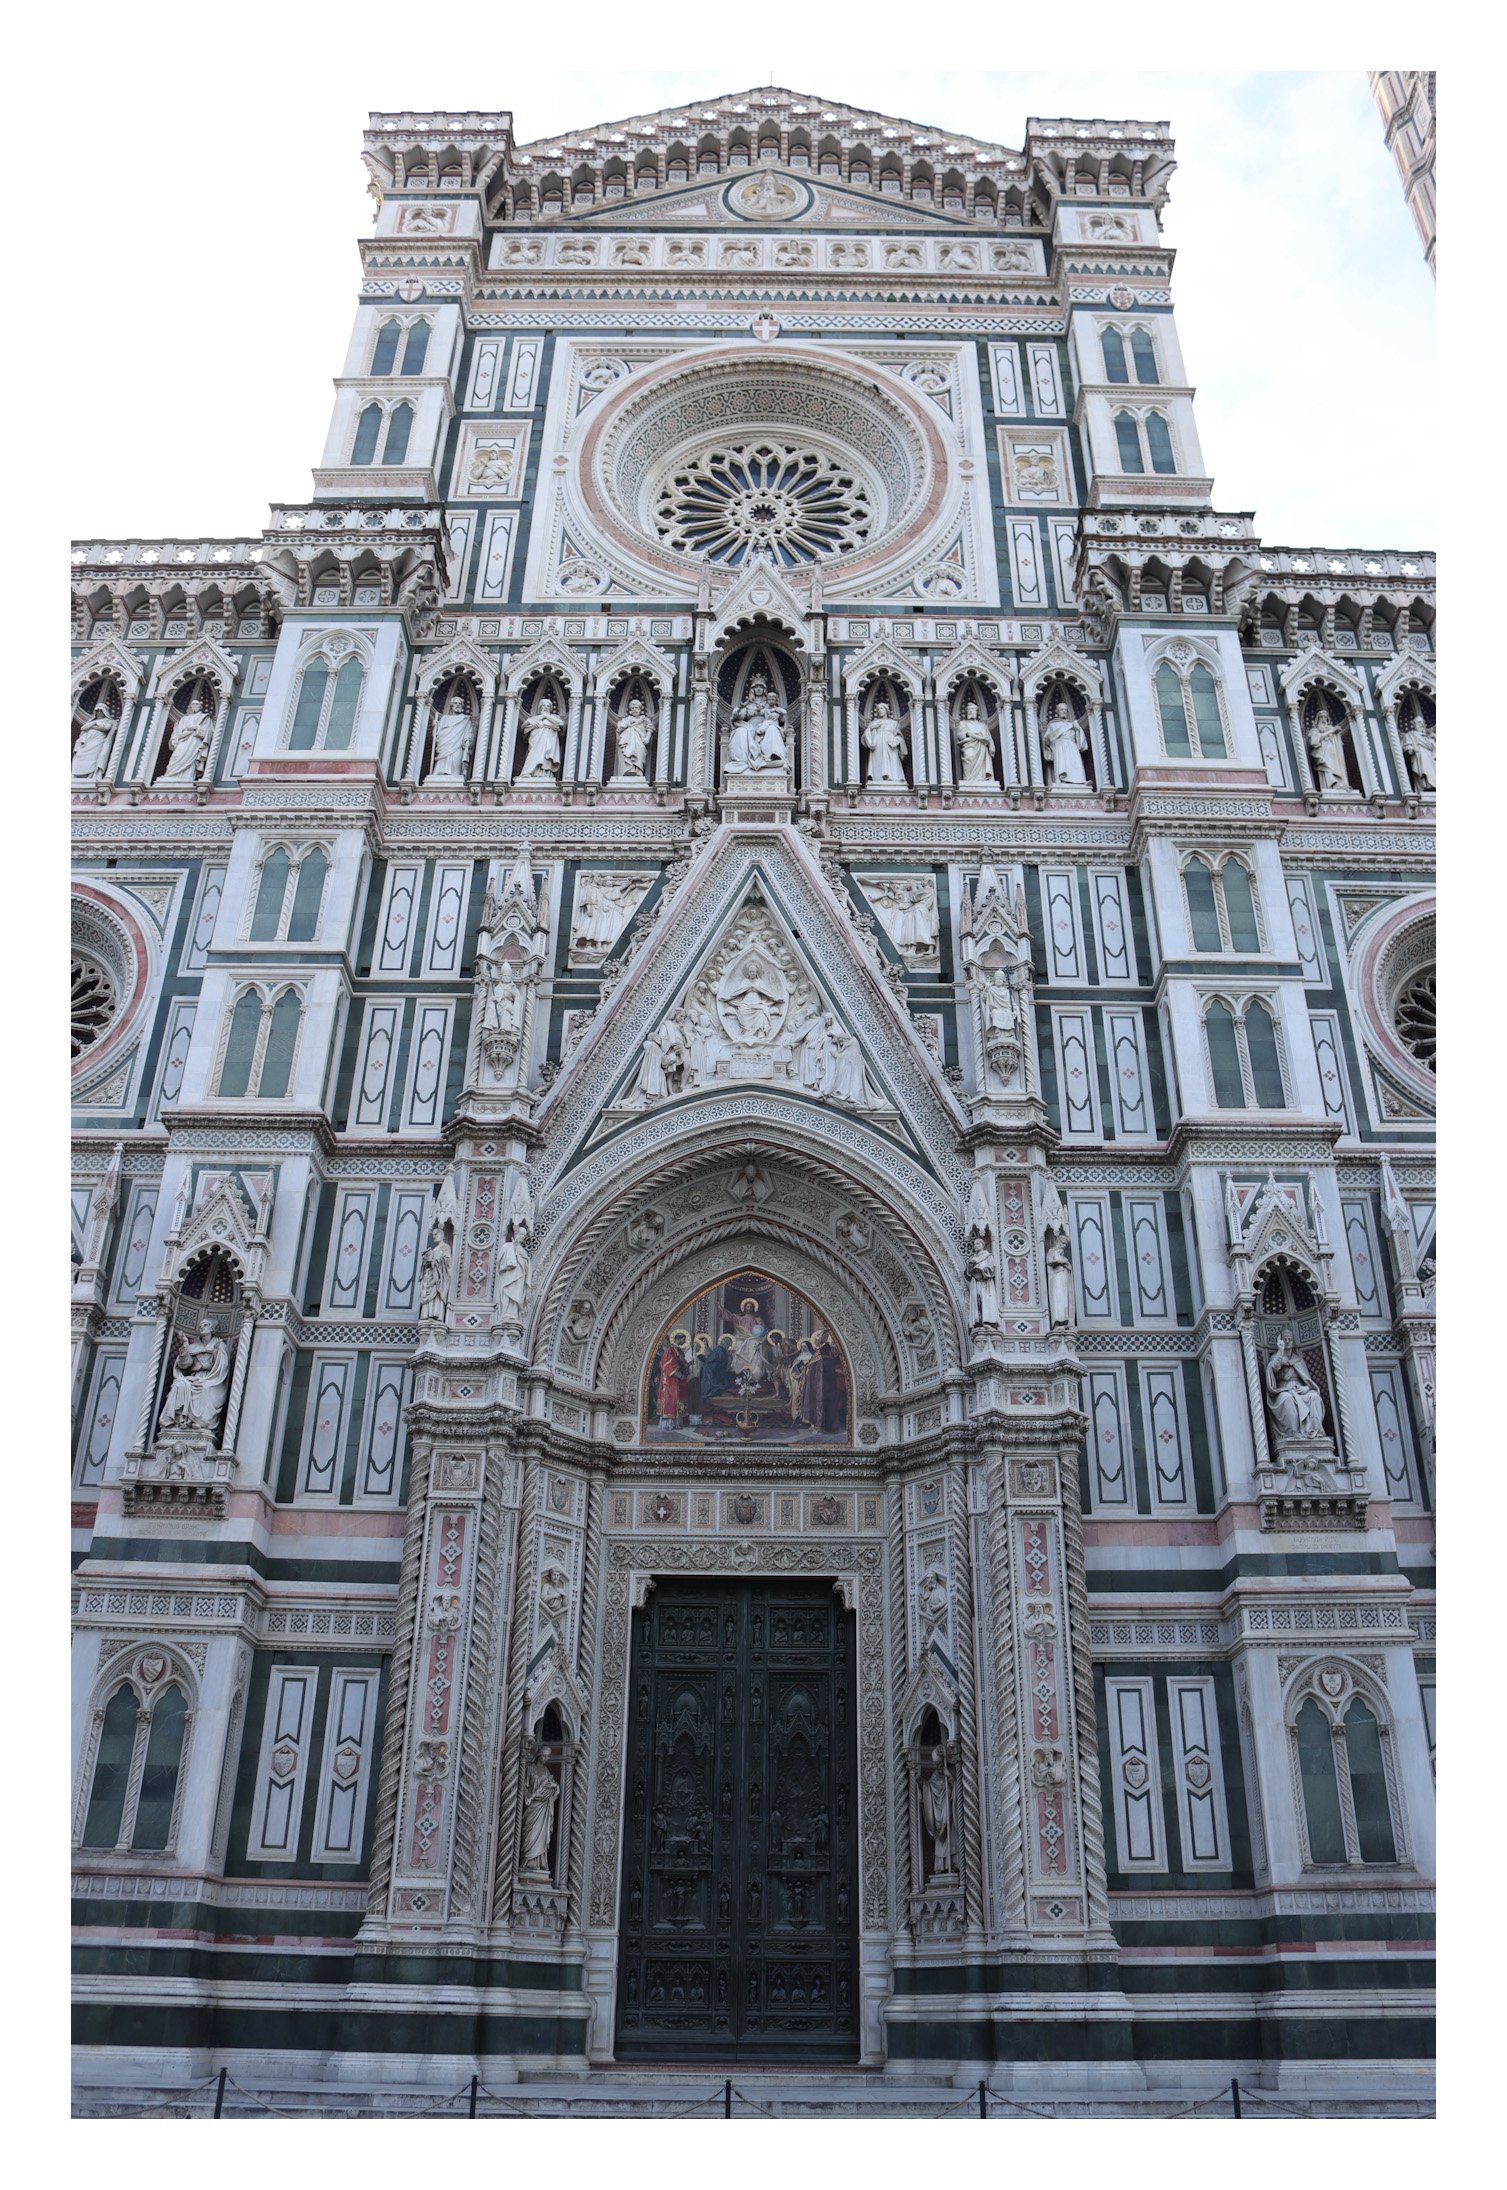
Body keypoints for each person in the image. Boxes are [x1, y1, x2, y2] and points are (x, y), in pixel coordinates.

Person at [158, 1316, 230, 1438]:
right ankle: (179, 1421)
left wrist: (207, 1362)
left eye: (206, 1325)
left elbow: (223, 1367)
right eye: (201, 1325)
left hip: (212, 1379)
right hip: (193, 1377)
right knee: (179, 1383)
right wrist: (185, 1345)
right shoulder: (193, 1346)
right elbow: (184, 1365)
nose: (202, 1327)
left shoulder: (219, 1345)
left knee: (205, 1388)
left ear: (212, 1328)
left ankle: (201, 1423)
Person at [1264, 1328, 1327, 1440]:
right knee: (1286, 1399)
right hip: (1283, 1390)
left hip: (1300, 1390)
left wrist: (1306, 1388)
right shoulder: (1276, 1357)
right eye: (1285, 1339)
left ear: (1293, 1341)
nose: (1287, 1341)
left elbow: (1308, 1380)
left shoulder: (1298, 1360)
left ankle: (1315, 1432)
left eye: (1290, 1339)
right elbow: (1273, 1368)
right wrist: (1280, 1351)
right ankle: (1293, 1433)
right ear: (1281, 1341)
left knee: (1314, 1397)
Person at [796, 1329, 844, 1434]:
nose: (817, 1340)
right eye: (817, 1338)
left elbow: (827, 1366)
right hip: (814, 1384)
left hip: (824, 1384)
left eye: (820, 1338)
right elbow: (809, 1366)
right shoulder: (817, 1352)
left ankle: (820, 1426)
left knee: (821, 1401)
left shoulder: (825, 1350)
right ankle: (814, 1423)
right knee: (813, 1400)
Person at [1042, 699, 1090, 787]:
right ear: (1057, 711)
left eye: (1065, 710)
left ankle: (1081, 780)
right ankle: (1061, 780)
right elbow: (1046, 739)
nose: (1063, 711)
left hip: (1072, 745)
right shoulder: (1052, 725)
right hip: (1059, 746)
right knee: (1062, 763)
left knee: (1076, 762)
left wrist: (1078, 729)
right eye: (1061, 709)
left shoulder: (1072, 724)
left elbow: (1080, 741)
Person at [428, 692, 475, 780]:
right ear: (451, 706)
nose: (458, 705)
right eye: (455, 703)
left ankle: (456, 776)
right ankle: (437, 775)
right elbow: (437, 735)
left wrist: (467, 741)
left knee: (456, 761)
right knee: (441, 762)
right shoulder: (444, 718)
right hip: (445, 746)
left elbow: (468, 732)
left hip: (457, 746)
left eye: (460, 704)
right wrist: (435, 727)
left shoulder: (465, 719)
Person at [862, 699, 908, 787]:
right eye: (878, 709)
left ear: (886, 710)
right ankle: (878, 778)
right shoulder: (874, 723)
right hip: (878, 745)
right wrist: (871, 728)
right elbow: (864, 739)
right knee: (879, 762)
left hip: (890, 745)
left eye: (882, 708)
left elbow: (900, 736)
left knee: (892, 762)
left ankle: (894, 778)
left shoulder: (894, 724)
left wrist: (896, 741)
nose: (880, 711)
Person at [518, 693, 564, 779]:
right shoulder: (535, 718)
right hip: (536, 741)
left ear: (550, 708)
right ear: (540, 707)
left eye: (548, 706)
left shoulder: (553, 717)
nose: (546, 707)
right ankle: (527, 773)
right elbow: (524, 726)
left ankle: (545, 775)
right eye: (544, 705)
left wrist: (546, 716)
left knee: (545, 758)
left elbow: (561, 723)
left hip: (548, 741)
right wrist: (540, 719)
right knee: (534, 755)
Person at [72, 702, 115, 780]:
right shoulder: (92, 721)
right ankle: (75, 775)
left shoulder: (107, 721)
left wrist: (92, 727)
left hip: (98, 742)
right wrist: (95, 722)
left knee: (93, 759)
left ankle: (90, 775)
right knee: (80, 755)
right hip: (87, 742)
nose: (99, 713)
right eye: (97, 711)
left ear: (104, 712)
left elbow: (106, 728)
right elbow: (83, 728)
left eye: (100, 711)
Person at [956, 701, 995, 783]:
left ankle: (981, 778)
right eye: (969, 710)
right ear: (966, 712)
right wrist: (977, 737)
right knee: (969, 756)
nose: (971, 712)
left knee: (981, 767)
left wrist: (991, 745)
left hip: (982, 748)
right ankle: (969, 779)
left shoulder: (982, 725)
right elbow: (960, 736)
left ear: (976, 712)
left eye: (972, 710)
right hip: (969, 746)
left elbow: (988, 737)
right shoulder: (963, 723)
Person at [614, 697, 652, 779]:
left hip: (639, 742)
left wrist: (647, 738)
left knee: (638, 755)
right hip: (627, 742)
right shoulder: (626, 719)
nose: (634, 710)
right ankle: (626, 770)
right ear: (630, 710)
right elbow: (619, 729)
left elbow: (650, 729)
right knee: (626, 755)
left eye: (636, 708)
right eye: (632, 708)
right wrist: (628, 724)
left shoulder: (644, 720)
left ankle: (637, 771)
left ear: (640, 709)